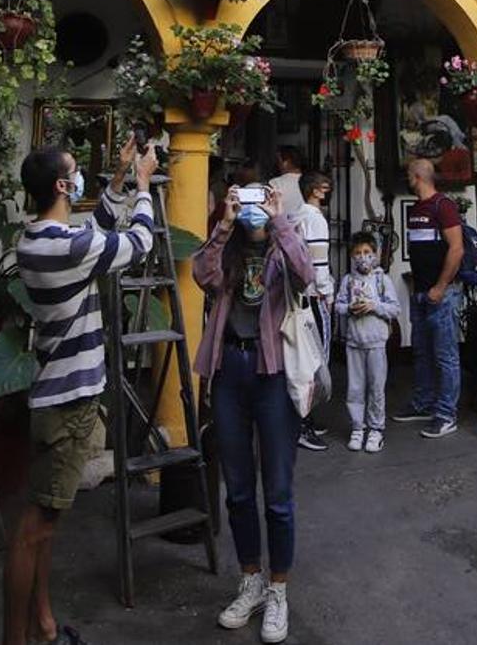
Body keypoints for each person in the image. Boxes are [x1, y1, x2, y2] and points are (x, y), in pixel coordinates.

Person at [5, 135, 157, 645]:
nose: (83, 178)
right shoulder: (63, 247)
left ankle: (43, 625)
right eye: (77, 172)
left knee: (45, 524)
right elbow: (136, 244)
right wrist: (141, 187)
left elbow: (96, 230)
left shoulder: (47, 240)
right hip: (67, 405)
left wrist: (114, 181)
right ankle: (15, 639)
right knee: (34, 530)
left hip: (61, 398)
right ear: (65, 185)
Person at [193, 184, 314, 644]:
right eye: (243, 202)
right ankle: (251, 581)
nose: (250, 211)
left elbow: (306, 275)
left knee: (278, 493)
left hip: (274, 375)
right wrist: (224, 225)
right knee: (238, 489)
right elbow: (201, 274)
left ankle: (278, 589)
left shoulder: (285, 243)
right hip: (229, 370)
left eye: (256, 202)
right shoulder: (228, 249)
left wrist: (279, 221)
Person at [390, 158, 464, 439]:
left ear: (419, 176)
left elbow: (456, 249)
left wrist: (441, 286)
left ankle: (446, 414)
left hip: (440, 294)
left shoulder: (442, 205)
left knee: (445, 355)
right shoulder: (416, 208)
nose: (407, 177)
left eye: (409, 173)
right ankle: (423, 403)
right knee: (421, 351)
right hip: (420, 292)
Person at [335, 231, 399, 453]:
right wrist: (349, 308)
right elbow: (338, 305)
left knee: (376, 387)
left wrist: (374, 306)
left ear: (375, 254)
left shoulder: (383, 280)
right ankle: (357, 426)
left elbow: (394, 308)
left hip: (376, 342)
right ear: (352, 256)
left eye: (367, 252)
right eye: (358, 253)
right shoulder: (348, 280)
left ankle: (376, 429)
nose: (363, 257)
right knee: (354, 387)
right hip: (354, 342)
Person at [294, 170, 334, 452]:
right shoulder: (315, 220)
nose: (328, 190)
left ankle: (304, 418)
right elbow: (318, 264)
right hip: (314, 297)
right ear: (316, 191)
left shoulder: (295, 216)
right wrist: (327, 293)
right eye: (325, 186)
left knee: (302, 360)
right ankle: (303, 424)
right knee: (317, 362)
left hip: (297, 297)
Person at [269, 145, 305, 218]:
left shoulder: (275, 183)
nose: (276, 165)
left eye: (278, 161)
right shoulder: (309, 180)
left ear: (285, 163)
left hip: (284, 226)